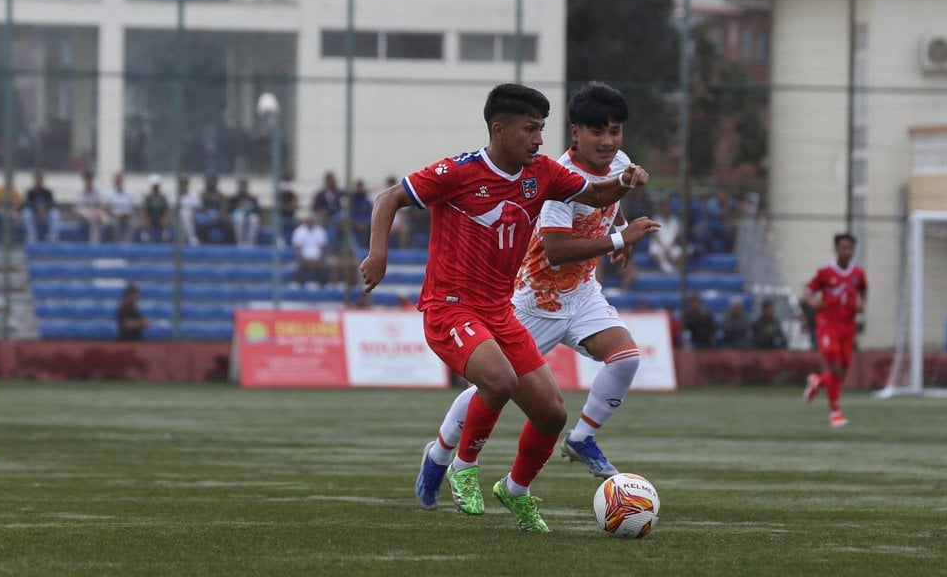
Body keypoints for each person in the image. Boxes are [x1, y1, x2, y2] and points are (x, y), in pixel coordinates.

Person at [360, 83, 649, 533]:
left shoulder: (544, 173)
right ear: (499, 129)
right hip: (451, 307)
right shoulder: (458, 171)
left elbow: (596, 196)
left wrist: (623, 184)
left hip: (501, 310)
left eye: (541, 129)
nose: (538, 139)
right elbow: (389, 198)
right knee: (497, 380)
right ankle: (461, 466)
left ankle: (515, 490)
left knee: (552, 413)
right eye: (530, 130)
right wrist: (379, 254)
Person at [801, 233, 867, 428]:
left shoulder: (858, 274)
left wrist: (862, 304)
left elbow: (864, 290)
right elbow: (808, 289)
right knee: (835, 367)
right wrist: (813, 302)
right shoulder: (825, 272)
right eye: (844, 247)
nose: (847, 251)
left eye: (850, 248)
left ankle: (817, 382)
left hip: (848, 325)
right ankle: (835, 413)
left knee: (842, 370)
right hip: (828, 324)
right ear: (836, 249)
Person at [21, 170, 61, 243]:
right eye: (37, 179)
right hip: (35, 216)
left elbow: (52, 204)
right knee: (26, 213)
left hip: (45, 216)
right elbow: (27, 204)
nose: (38, 181)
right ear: (34, 180)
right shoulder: (30, 192)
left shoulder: (47, 192)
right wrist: (37, 209)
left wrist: (45, 208)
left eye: (40, 179)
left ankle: (52, 236)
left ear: (42, 180)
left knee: (55, 214)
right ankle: (32, 235)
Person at [291, 214, 331, 285]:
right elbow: (298, 250)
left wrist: (317, 261)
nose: (310, 222)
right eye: (308, 221)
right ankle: (301, 288)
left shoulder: (320, 231)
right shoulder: (299, 231)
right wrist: (305, 261)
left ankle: (323, 288)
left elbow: (323, 249)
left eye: (311, 221)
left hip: (318, 260)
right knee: (298, 269)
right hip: (303, 260)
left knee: (324, 269)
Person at [648, 198, 684, 274]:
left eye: (668, 207)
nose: (666, 209)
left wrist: (669, 247)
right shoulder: (655, 219)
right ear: (661, 208)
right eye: (664, 207)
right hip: (658, 244)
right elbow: (655, 236)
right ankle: (667, 269)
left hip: (671, 245)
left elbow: (676, 236)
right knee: (656, 251)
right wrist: (664, 247)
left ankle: (677, 270)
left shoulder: (675, 220)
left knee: (679, 253)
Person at [74, 170, 108, 244]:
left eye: (90, 179)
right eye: (87, 179)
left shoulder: (98, 190)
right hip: (84, 213)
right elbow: (82, 206)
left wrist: (99, 212)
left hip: (95, 213)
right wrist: (93, 212)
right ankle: (94, 243)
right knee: (91, 217)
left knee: (104, 218)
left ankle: (102, 242)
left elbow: (102, 205)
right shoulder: (80, 191)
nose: (89, 181)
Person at [197, 173, 231, 244]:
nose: (211, 182)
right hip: (205, 218)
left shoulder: (222, 196)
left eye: (213, 180)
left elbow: (224, 209)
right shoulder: (201, 195)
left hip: (218, 218)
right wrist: (207, 214)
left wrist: (219, 217)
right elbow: (200, 208)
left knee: (228, 225)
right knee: (199, 225)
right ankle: (202, 244)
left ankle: (227, 245)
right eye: (209, 180)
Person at [103, 172, 137, 243]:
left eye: (120, 179)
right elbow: (106, 208)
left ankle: (127, 243)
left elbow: (134, 207)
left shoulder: (129, 192)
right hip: (114, 217)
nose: (118, 181)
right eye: (117, 179)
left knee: (133, 223)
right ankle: (117, 243)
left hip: (127, 216)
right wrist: (116, 215)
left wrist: (127, 214)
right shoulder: (109, 193)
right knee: (114, 223)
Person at [229, 178, 262, 247]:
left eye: (244, 186)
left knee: (254, 219)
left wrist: (249, 209)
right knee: (239, 219)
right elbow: (230, 210)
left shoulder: (252, 198)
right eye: (241, 187)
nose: (243, 188)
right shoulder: (234, 198)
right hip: (237, 217)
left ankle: (250, 242)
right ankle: (239, 242)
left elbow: (258, 211)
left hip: (249, 216)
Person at [140, 175, 171, 243]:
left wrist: (165, 219)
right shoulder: (148, 198)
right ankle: (146, 234)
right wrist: (147, 220)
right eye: (154, 186)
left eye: (157, 186)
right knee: (145, 220)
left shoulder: (163, 198)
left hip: (160, 219)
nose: (156, 187)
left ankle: (164, 234)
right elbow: (145, 211)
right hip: (150, 219)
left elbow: (166, 210)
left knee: (166, 221)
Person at [176, 176, 202, 246]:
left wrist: (193, 213)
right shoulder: (175, 195)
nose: (183, 185)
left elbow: (197, 209)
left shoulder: (193, 194)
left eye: (185, 183)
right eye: (182, 183)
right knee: (183, 215)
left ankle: (190, 238)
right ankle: (191, 238)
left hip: (192, 217)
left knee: (186, 215)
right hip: (177, 218)